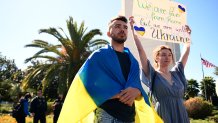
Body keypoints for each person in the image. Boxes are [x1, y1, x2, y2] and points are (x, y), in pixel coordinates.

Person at [58, 15, 162, 123]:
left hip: (129, 117)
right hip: (107, 116)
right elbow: (87, 86)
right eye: (117, 26)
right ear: (108, 33)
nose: (122, 29)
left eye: (125, 27)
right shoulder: (98, 56)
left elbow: (137, 86)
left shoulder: (133, 62)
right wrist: (118, 94)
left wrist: (137, 91)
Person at [129, 16, 191, 123]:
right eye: (163, 55)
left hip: (181, 114)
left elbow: (186, 51)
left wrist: (187, 37)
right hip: (163, 115)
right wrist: (134, 33)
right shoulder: (152, 74)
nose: (167, 57)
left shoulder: (177, 72)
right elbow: (140, 51)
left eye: (169, 55)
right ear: (157, 58)